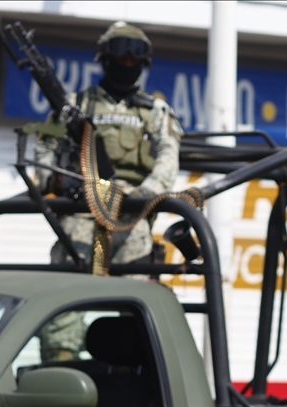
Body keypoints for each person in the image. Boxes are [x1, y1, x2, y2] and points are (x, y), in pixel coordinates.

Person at [34, 21, 183, 362]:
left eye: (134, 60)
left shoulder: (155, 112)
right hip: (82, 216)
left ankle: (133, 378)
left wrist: (143, 196)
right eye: (120, 58)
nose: (127, 64)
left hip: (129, 220)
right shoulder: (75, 105)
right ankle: (61, 370)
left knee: (135, 308)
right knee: (63, 304)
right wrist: (57, 182)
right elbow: (44, 152)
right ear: (104, 59)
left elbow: (168, 159)